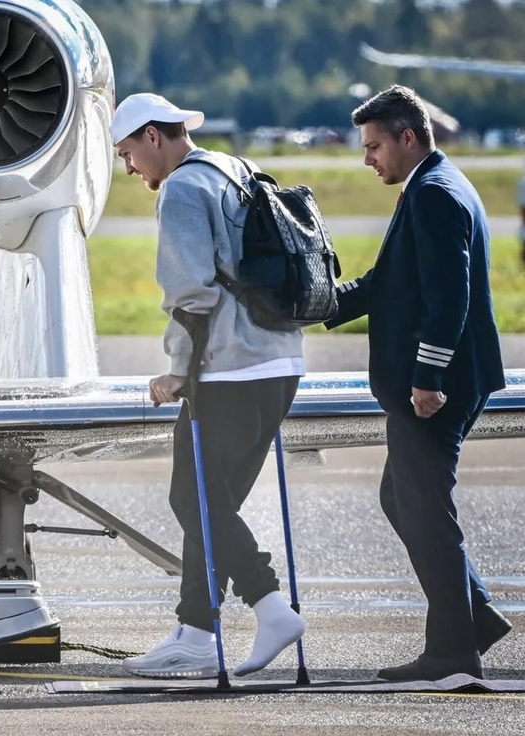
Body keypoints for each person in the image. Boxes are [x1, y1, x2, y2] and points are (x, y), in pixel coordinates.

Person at [109, 93, 305, 679]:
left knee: (190, 498)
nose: (129, 169)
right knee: (213, 504)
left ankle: (269, 605)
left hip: (229, 369)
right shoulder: (234, 169)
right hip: (280, 364)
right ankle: (196, 630)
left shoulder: (183, 189)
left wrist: (177, 369)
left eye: (127, 154)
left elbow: (191, 293)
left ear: (151, 136)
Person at [327, 85, 511, 681]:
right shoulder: (434, 184)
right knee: (402, 497)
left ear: (409, 137)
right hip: (443, 379)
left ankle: (454, 650)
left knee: (425, 507)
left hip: (439, 386)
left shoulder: (433, 194)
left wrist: (428, 377)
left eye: (375, 145)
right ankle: (475, 613)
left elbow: (449, 295)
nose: (367, 157)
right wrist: (320, 303)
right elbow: (391, 280)